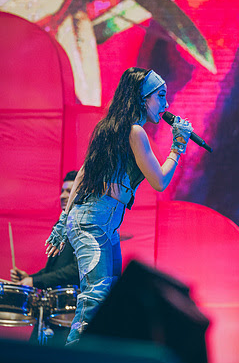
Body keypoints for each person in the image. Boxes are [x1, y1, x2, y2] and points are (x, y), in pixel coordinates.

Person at [44, 67, 194, 344]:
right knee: (96, 294)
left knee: (107, 292)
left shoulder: (110, 128)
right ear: (141, 97)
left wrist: (64, 220)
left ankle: (93, 361)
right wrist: (178, 146)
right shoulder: (134, 132)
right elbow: (159, 181)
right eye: (160, 96)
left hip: (100, 223)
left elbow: (82, 173)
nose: (166, 104)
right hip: (93, 221)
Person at [9, 171, 80, 345]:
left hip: (69, 311)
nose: (62, 196)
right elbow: (54, 270)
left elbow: (76, 270)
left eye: (68, 191)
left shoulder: (83, 225)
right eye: (62, 191)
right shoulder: (61, 225)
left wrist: (36, 282)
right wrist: (29, 278)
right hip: (51, 309)